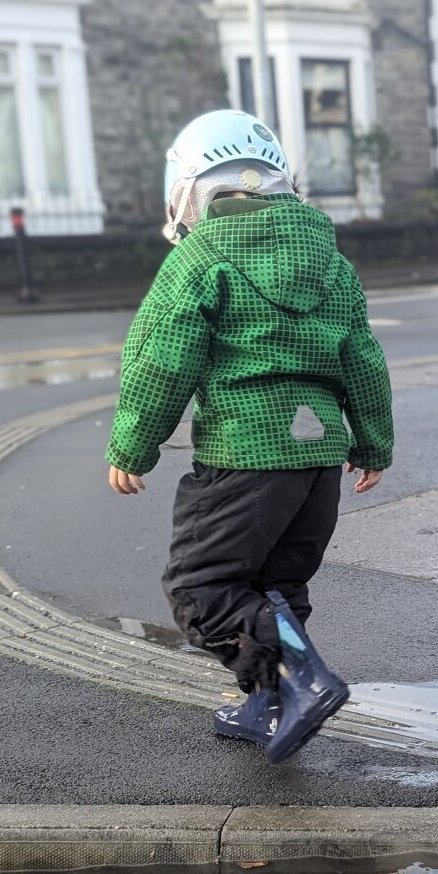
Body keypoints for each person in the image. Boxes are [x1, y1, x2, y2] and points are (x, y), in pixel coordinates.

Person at [104, 109, 393, 764]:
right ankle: (267, 703)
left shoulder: (202, 257)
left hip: (246, 457)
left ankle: (305, 680)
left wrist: (131, 445)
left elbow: (160, 359)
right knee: (274, 589)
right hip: (318, 463)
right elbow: (363, 357)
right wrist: (372, 443)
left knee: (201, 589)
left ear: (188, 191)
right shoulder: (331, 260)